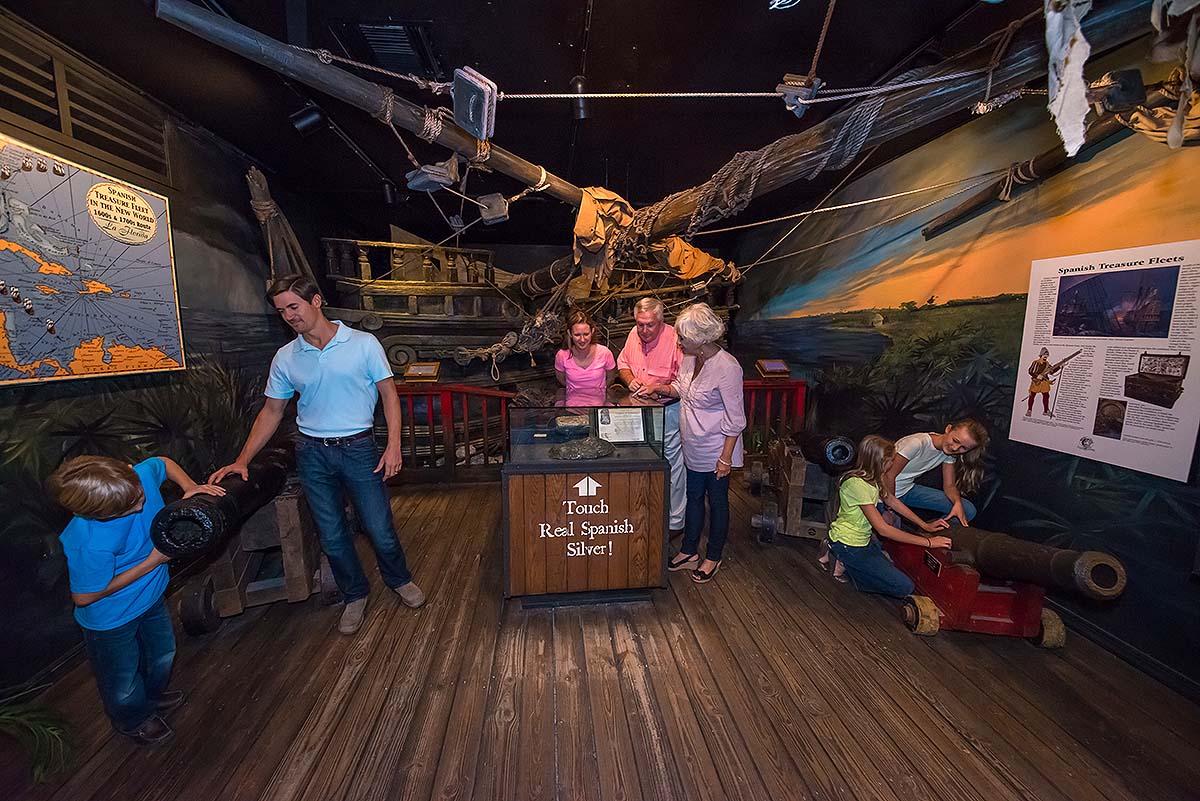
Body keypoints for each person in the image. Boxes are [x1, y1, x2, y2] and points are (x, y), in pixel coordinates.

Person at [210, 275, 425, 636]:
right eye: (282, 311)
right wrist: (243, 459)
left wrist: (393, 445)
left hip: (359, 448)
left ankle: (399, 579)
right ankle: (355, 593)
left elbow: (389, 394)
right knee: (331, 534)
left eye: (294, 306)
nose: (289, 316)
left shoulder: (363, 344)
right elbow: (272, 412)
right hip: (312, 453)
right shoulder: (286, 357)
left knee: (378, 527)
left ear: (316, 301)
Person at [47, 455, 225, 745]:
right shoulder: (89, 542)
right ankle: (133, 718)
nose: (140, 506)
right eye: (128, 509)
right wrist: (153, 561)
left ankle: (151, 697)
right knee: (123, 678)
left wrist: (190, 486)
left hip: (151, 597)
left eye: (139, 496)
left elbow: (162, 463)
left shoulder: (135, 478)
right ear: (95, 514)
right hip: (111, 619)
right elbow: (85, 596)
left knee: (162, 653)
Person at [660, 302, 745, 584]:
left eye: (683, 337)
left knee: (717, 502)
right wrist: (658, 388)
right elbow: (681, 389)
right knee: (693, 498)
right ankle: (689, 551)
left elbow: (736, 419)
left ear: (701, 338)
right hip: (692, 445)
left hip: (716, 448)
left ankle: (713, 556)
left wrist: (725, 458)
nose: (679, 341)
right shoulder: (689, 358)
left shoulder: (727, 367)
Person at [827, 436, 952, 597]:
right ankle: (840, 558)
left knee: (885, 560)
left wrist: (924, 525)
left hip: (862, 540)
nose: (893, 464)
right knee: (903, 587)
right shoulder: (856, 484)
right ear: (879, 461)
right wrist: (928, 542)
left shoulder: (875, 478)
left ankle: (847, 558)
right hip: (848, 543)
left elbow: (892, 500)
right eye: (890, 460)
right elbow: (883, 529)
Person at [617, 297, 686, 537]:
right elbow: (623, 364)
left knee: (672, 465)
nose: (644, 330)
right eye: (640, 324)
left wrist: (659, 388)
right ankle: (640, 514)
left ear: (661, 320)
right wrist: (630, 380)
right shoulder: (632, 335)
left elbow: (684, 382)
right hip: (637, 411)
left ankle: (675, 521)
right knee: (637, 460)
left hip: (668, 411)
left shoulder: (676, 339)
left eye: (649, 325)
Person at [882, 418, 988, 527]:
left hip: (906, 489)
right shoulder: (916, 443)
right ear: (948, 429)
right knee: (892, 531)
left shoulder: (949, 454)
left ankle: (932, 532)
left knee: (967, 510)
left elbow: (950, 486)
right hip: (883, 493)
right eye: (955, 441)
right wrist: (889, 509)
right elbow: (889, 476)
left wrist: (957, 503)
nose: (955, 448)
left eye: (963, 448)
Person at [554, 309, 616, 395]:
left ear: (592, 331)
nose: (582, 340)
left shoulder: (605, 353)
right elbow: (561, 380)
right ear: (570, 333)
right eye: (577, 335)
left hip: (598, 404)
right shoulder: (562, 355)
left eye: (586, 334)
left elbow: (611, 378)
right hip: (573, 405)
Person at [1026, 347, 1053, 417]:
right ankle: (1029, 410)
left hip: (1044, 382)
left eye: (1047, 355)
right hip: (1036, 382)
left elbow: (1052, 371)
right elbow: (1030, 371)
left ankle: (1046, 411)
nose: (1046, 357)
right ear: (1041, 355)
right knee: (1032, 396)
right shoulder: (1036, 362)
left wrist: (1060, 366)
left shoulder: (1047, 364)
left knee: (1046, 396)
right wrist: (1037, 376)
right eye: (1045, 355)